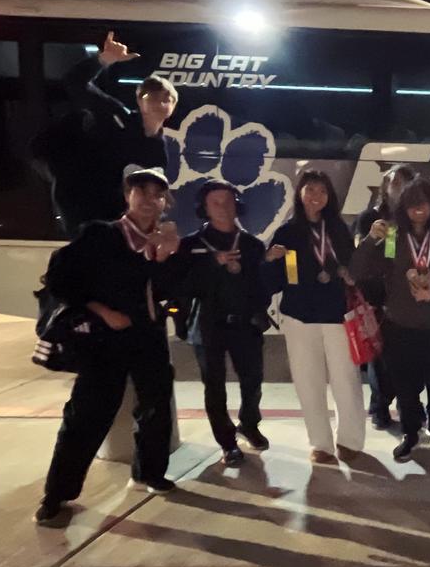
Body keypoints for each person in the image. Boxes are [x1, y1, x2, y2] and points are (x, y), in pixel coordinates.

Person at [34, 165, 182, 525]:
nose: (149, 200)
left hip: (148, 336)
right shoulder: (101, 235)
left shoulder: (162, 241)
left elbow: (172, 292)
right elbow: (58, 278)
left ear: (165, 202)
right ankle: (56, 495)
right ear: (128, 195)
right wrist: (102, 311)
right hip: (104, 340)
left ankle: (150, 473)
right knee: (88, 414)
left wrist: (167, 258)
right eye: (141, 191)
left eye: (157, 194)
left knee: (156, 406)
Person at [353, 177, 430, 461]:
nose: (419, 208)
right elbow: (361, 270)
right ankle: (410, 433)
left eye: (424, 202)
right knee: (405, 387)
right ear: (403, 206)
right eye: (412, 203)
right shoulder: (393, 240)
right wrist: (370, 240)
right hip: (400, 326)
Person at [265, 170, 365, 466]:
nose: (315, 196)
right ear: (300, 194)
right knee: (308, 381)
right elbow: (275, 281)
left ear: (329, 197)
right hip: (299, 316)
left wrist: (348, 274)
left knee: (345, 379)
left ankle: (350, 440)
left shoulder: (338, 228)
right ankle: (320, 444)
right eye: (310, 190)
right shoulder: (287, 232)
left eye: (322, 191)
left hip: (337, 314)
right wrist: (269, 261)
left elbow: (352, 265)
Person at [41, 32, 177, 237]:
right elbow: (74, 82)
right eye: (153, 96)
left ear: (173, 107)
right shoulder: (114, 115)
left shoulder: (159, 150)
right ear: (140, 100)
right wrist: (104, 59)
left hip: (120, 228)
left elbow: (149, 191)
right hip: (84, 215)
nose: (160, 102)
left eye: (167, 98)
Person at [175, 180, 271, 466]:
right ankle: (227, 442)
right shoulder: (190, 246)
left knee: (253, 380)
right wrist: (213, 264)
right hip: (208, 326)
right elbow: (182, 286)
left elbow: (262, 285)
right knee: (214, 386)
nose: (223, 207)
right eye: (215, 202)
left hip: (245, 324)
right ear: (204, 208)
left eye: (228, 201)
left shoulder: (252, 245)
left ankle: (249, 424)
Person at [355, 164, 415, 429]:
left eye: (404, 183)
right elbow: (359, 255)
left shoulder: (415, 218)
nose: (398, 187)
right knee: (378, 358)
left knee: (407, 356)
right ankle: (380, 406)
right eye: (393, 182)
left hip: (408, 297)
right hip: (377, 298)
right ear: (384, 187)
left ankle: (407, 404)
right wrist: (373, 237)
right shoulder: (370, 217)